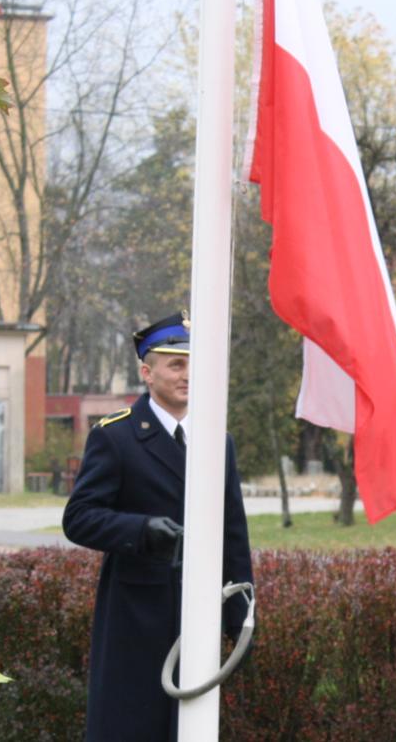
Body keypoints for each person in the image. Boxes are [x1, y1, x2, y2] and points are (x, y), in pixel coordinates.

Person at [61, 313, 252, 741]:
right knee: (132, 727)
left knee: (191, 728)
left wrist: (241, 618)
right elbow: (79, 518)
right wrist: (142, 530)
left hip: (200, 613)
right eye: (176, 364)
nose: (188, 375)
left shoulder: (216, 440)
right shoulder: (117, 436)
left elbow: (233, 534)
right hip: (136, 615)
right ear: (147, 373)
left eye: (193, 364)